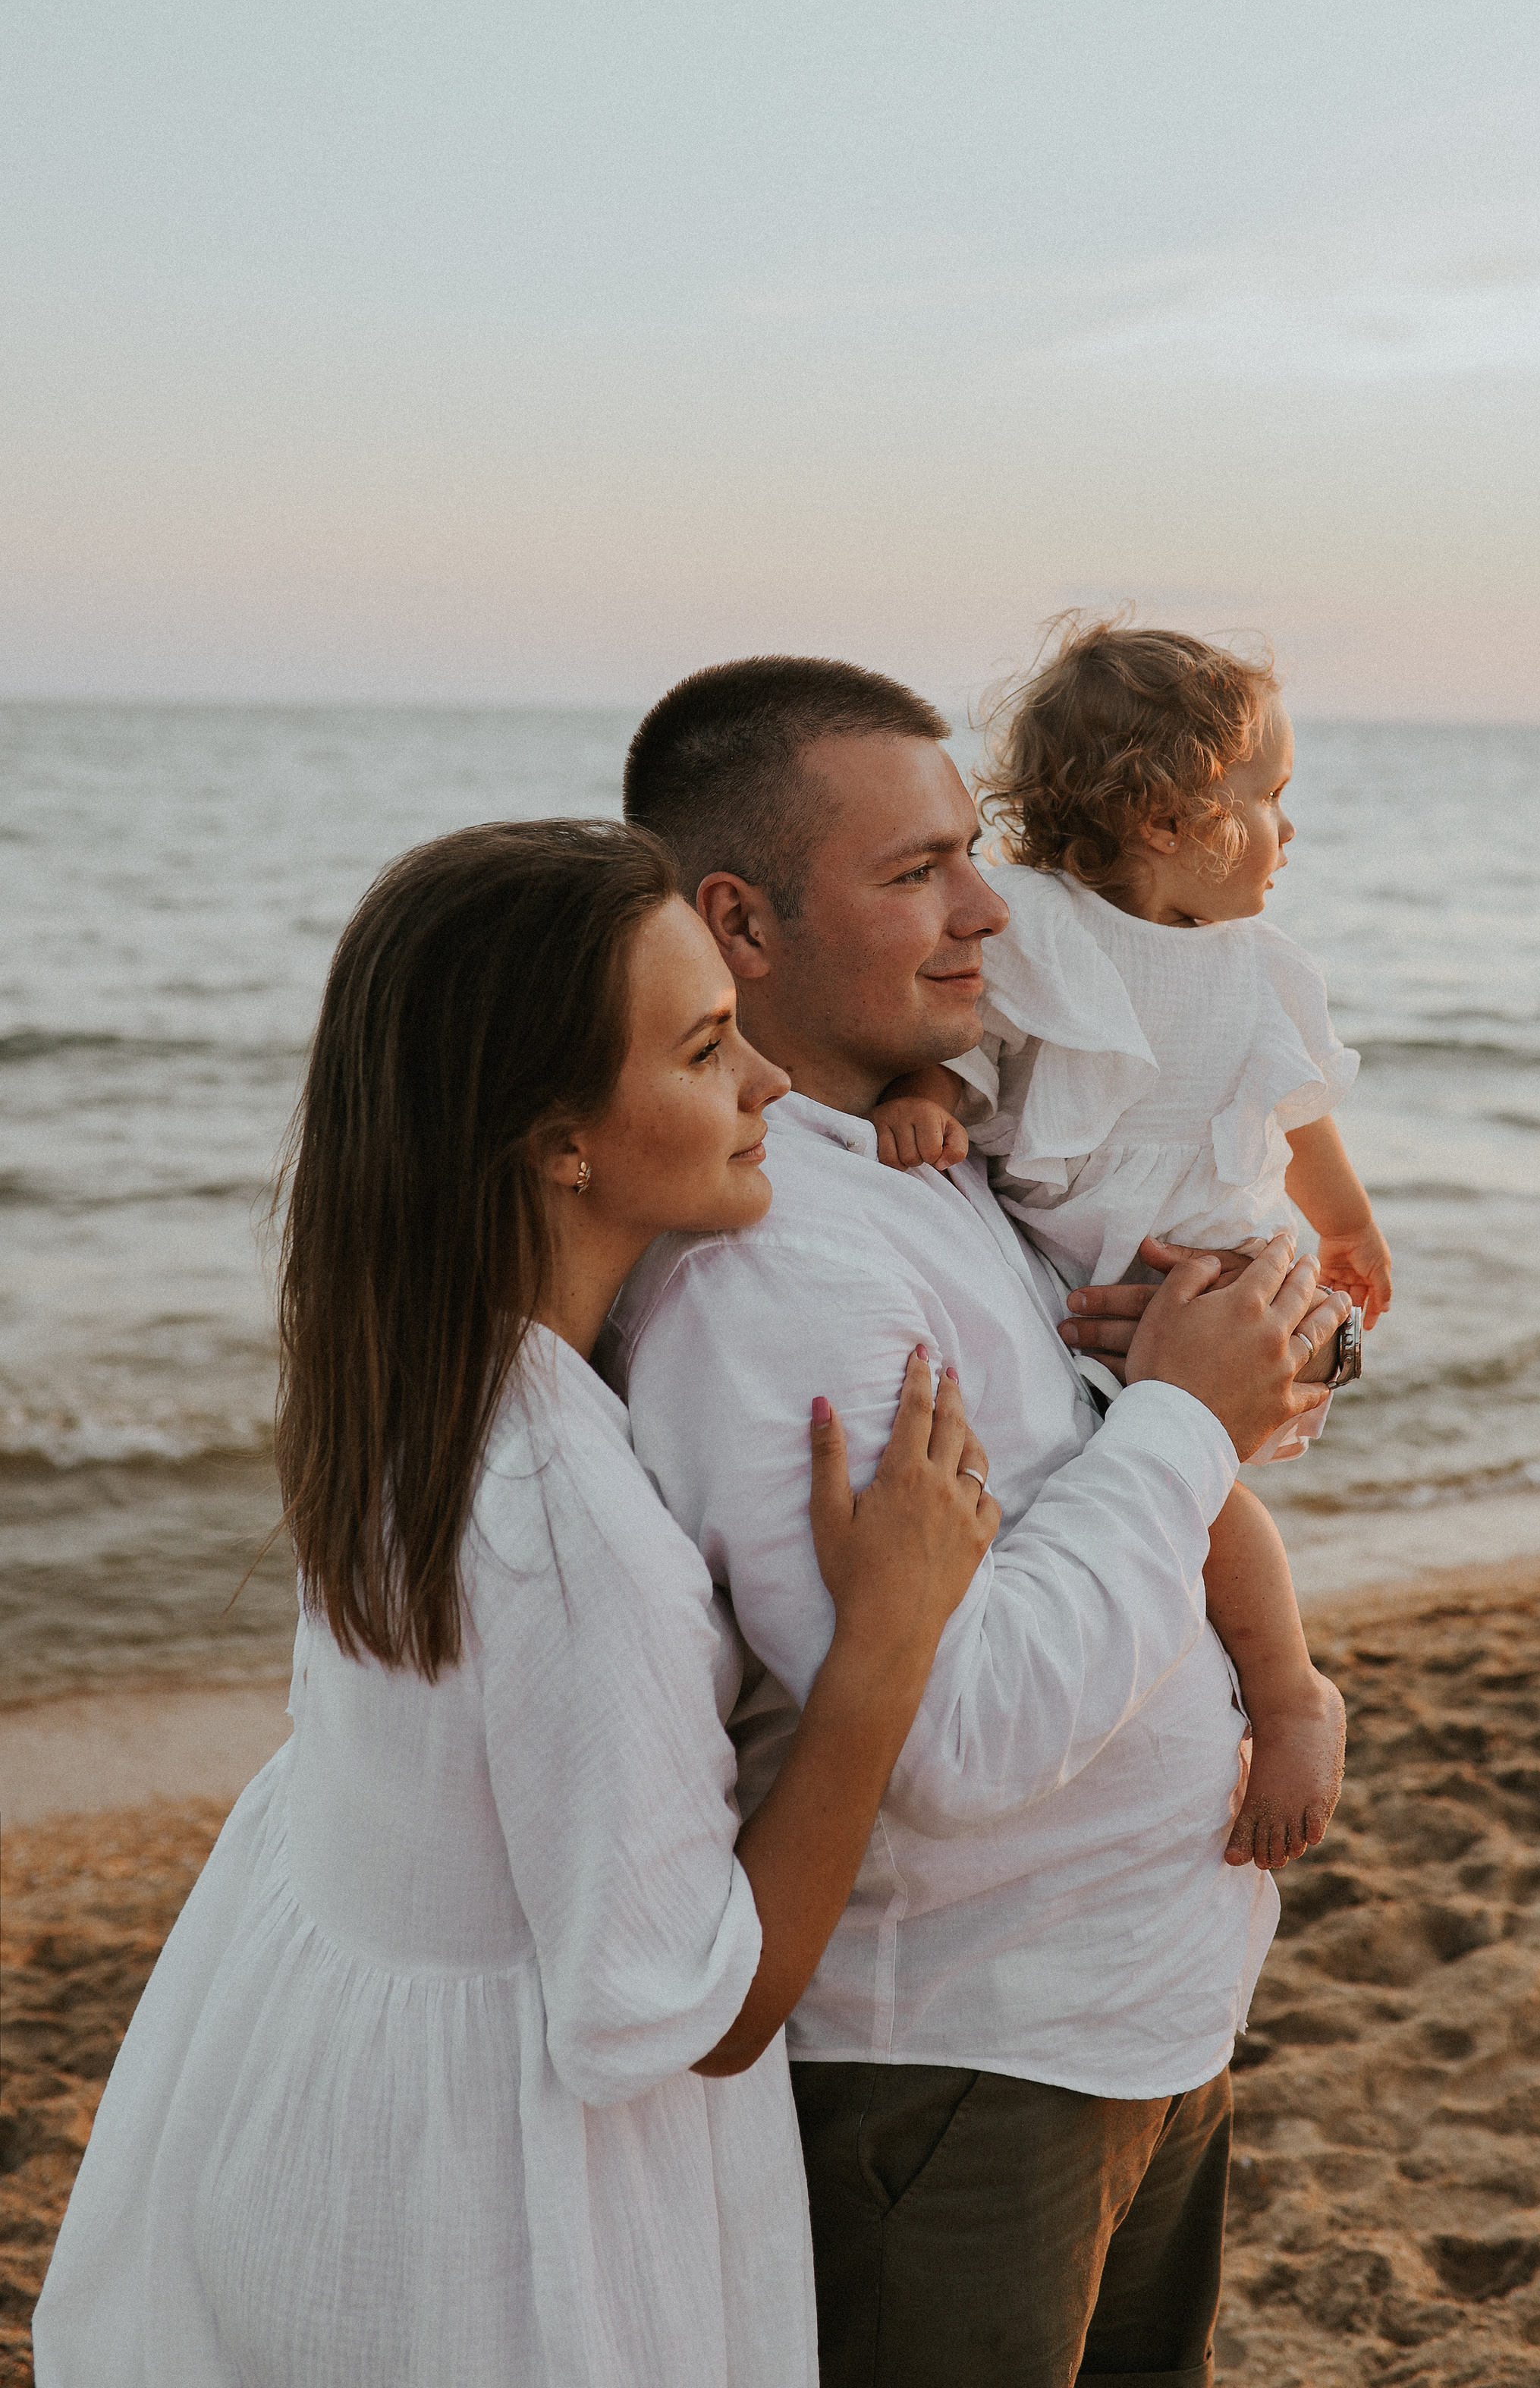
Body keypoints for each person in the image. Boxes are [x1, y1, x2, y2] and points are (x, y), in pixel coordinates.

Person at [34, 820, 996, 2388]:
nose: (765, 1084)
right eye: (701, 1049)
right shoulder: (564, 1515)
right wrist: (885, 1644)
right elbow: (699, 2011)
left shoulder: (405, 1373)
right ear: (557, 1137)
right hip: (497, 2217)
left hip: (316, 2105)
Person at [605, 661, 1351, 2388]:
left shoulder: (939, 1149)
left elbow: (1182, 1332)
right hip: (960, 2069)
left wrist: (1295, 1345)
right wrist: (1185, 1414)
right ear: (739, 923)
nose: (985, 906)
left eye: (972, 855)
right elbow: (943, 1733)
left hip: (1133, 2019)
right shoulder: (765, 1273)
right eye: (918, 872)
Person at [869, 615, 1394, 1870]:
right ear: (1166, 821)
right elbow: (973, 1050)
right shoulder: (1040, 929)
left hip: (1210, 1268)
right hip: (1070, 1273)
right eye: (1265, 798)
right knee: (1142, 1491)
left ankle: (1289, 1696)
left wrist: (1348, 1225)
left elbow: (1298, 1109)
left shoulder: (1261, 966)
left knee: (1207, 1497)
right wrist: (925, 1109)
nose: (1287, 828)